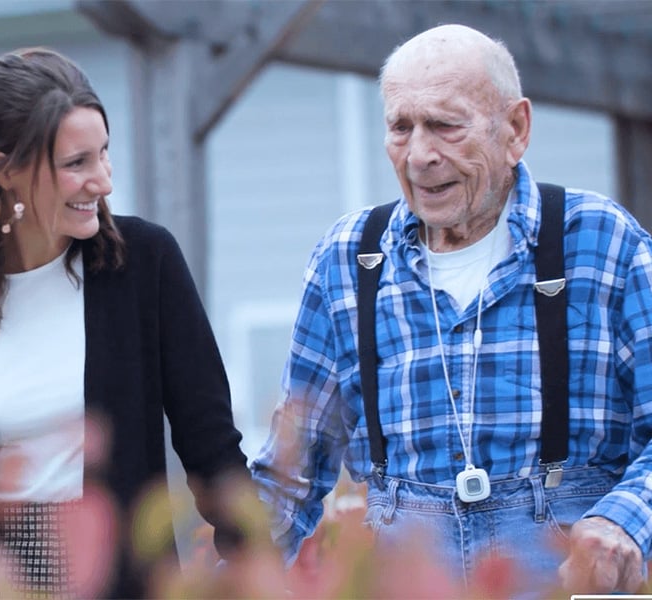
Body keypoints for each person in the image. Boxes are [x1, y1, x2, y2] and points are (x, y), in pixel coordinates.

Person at [251, 24, 652, 596]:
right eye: (401, 127)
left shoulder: (600, 242)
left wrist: (624, 521)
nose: (420, 156)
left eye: (444, 125)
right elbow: (289, 477)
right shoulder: (348, 260)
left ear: (516, 129)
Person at [0, 47, 250, 599]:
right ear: (4, 171)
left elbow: (212, 448)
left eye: (104, 154)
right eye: (76, 163)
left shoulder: (144, 264)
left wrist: (255, 569)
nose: (102, 181)